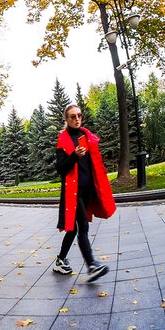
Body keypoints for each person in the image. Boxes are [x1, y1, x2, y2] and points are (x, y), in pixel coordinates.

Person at [52, 104, 116, 282]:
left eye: (79, 115)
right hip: (74, 193)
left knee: (72, 230)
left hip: (88, 190)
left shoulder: (86, 136)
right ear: (67, 119)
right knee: (83, 227)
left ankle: (59, 260)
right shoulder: (63, 141)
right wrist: (74, 156)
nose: (77, 119)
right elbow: (60, 169)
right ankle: (92, 265)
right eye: (72, 116)